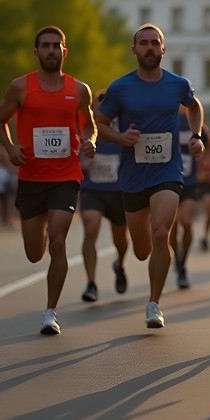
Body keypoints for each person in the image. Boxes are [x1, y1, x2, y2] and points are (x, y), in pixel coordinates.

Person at [95, 23, 205, 329]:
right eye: (143, 43)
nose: (149, 48)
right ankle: (122, 262)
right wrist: (121, 139)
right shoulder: (120, 88)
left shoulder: (177, 84)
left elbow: (194, 106)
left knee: (161, 233)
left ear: (163, 49)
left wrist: (197, 135)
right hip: (132, 176)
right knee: (142, 250)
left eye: (154, 43)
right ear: (134, 50)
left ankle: (154, 303)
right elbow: (100, 124)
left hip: (167, 171)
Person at [0, 26, 97, 335]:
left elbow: (88, 125)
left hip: (66, 177)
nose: (52, 51)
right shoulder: (20, 88)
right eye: (46, 46)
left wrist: (89, 140)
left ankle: (51, 312)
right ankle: (39, 253)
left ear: (64, 52)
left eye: (57, 46)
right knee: (34, 252)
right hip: (31, 178)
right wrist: (10, 147)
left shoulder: (79, 90)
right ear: (36, 52)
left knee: (57, 238)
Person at [78, 89, 129, 302]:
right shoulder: (86, 129)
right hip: (93, 189)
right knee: (91, 228)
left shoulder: (124, 127)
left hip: (119, 191)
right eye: (100, 103)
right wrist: (82, 164)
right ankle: (91, 283)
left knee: (121, 240)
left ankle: (119, 264)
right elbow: (71, 151)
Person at [170, 109, 202, 289]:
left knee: (186, 221)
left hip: (190, 182)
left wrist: (203, 161)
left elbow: (208, 145)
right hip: (170, 180)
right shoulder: (167, 117)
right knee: (172, 228)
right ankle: (178, 259)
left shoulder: (195, 122)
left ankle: (182, 262)